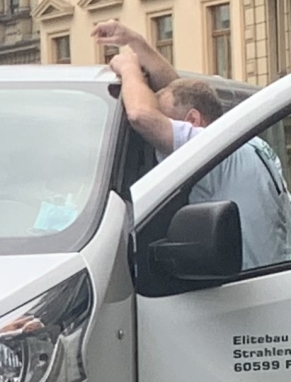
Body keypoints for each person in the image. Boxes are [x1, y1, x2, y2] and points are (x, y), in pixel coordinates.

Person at [98, 20, 291, 268]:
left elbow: (141, 117)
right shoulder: (243, 143)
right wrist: (136, 42)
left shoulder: (213, 150)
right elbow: (177, 91)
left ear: (193, 120)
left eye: (166, 119)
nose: (163, 131)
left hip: (243, 294)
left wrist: (128, 69)